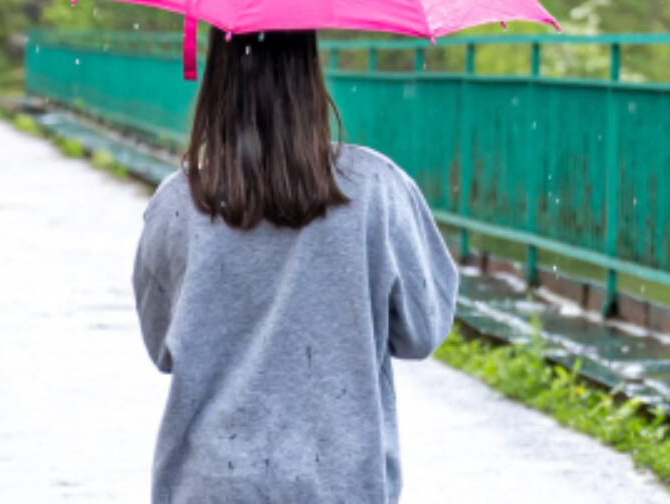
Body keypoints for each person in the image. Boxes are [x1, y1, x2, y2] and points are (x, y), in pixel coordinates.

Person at [133, 28, 459, 503]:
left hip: (210, 485)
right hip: (339, 484)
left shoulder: (178, 202)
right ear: (310, 73)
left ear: (217, 76)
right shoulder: (376, 189)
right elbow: (421, 331)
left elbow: (164, 347)